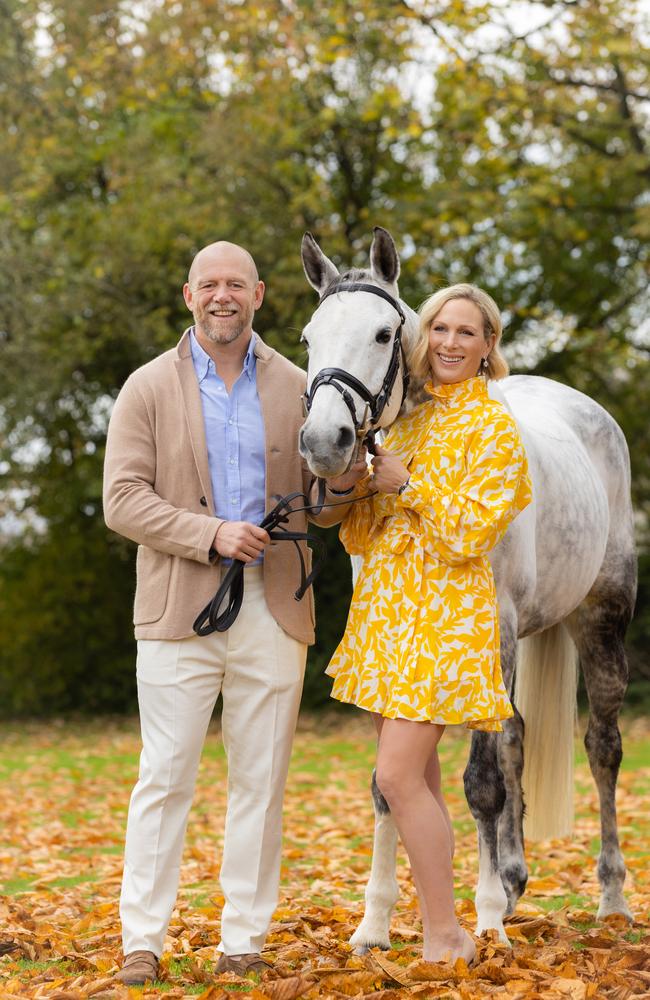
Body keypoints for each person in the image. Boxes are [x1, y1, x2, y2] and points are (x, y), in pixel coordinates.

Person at [103, 241, 362, 986]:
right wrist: (209, 533)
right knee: (165, 776)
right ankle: (141, 941)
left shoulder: (301, 384)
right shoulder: (147, 386)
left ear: (260, 295)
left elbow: (322, 502)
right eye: (210, 284)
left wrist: (359, 480)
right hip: (178, 609)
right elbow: (122, 500)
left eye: (236, 285)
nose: (223, 295)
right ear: (189, 295)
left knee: (261, 780)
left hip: (277, 608)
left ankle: (243, 939)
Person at [326, 284, 533, 965]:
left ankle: (446, 934)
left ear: (488, 346)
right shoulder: (404, 425)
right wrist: (357, 485)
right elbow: (361, 536)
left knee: (395, 779)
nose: (448, 342)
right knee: (420, 781)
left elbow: (472, 532)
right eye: (439, 328)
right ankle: (440, 926)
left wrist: (406, 485)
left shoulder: (494, 428)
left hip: (444, 623)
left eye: (465, 332)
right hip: (389, 617)